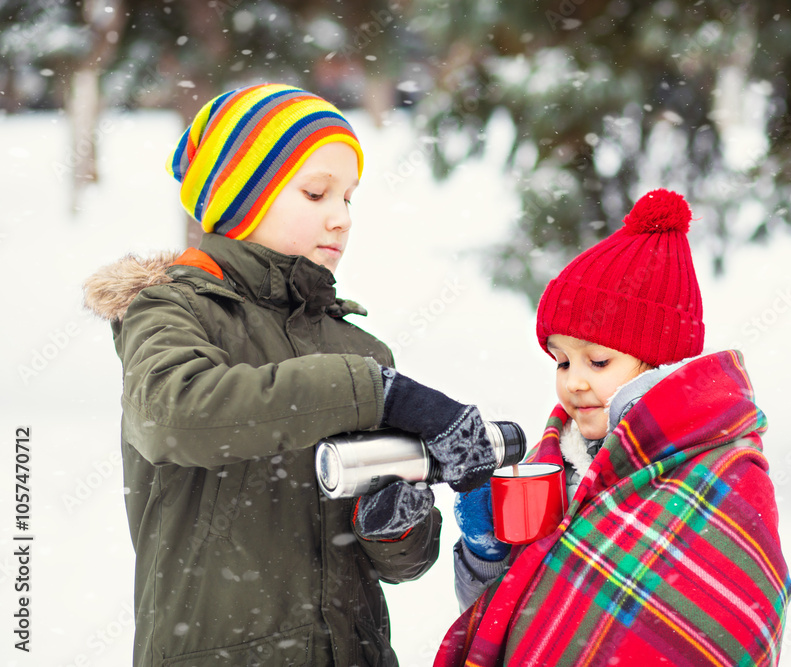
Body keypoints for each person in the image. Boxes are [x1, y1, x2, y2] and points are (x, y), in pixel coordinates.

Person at [82, 83, 497, 667]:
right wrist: (368, 391)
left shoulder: (356, 345)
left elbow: (401, 565)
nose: (341, 218)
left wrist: (397, 528)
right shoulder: (174, 310)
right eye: (316, 193)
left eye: (350, 199)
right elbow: (173, 416)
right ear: (238, 200)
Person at [439, 189, 791, 666]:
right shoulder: (556, 463)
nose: (575, 382)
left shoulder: (721, 473)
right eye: (562, 362)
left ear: (660, 363)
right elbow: (513, 622)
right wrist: (486, 558)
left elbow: (733, 624)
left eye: (598, 360)